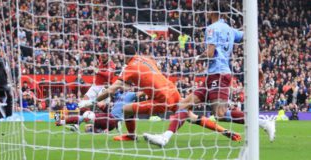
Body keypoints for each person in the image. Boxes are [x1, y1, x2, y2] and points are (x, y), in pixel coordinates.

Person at [144, 1, 275, 147]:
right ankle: (165, 137)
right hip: (214, 76)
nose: (205, 13)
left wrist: (195, 59)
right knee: (183, 105)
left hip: (218, 75)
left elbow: (210, 53)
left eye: (207, 11)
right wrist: (258, 65)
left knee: (221, 114)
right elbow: (252, 37)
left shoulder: (212, 28)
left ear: (212, 12)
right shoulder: (230, 30)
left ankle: (263, 122)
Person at [95, 45, 240, 142]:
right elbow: (149, 75)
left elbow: (112, 89)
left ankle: (132, 136)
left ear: (124, 56)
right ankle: (224, 131)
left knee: (125, 109)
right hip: (171, 89)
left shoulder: (130, 67)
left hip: (161, 98)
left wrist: (94, 100)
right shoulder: (146, 58)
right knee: (191, 116)